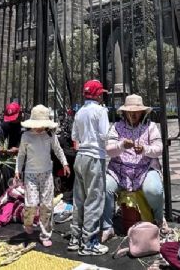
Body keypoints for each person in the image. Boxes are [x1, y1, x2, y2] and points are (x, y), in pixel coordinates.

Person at [104, 93, 166, 241]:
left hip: (145, 169)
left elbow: (159, 148)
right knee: (105, 187)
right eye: (130, 111)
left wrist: (145, 149)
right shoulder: (116, 128)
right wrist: (121, 145)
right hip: (119, 171)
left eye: (136, 111)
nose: (133, 114)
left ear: (142, 112)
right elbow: (109, 149)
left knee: (154, 190)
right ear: (124, 112)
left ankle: (159, 219)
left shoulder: (150, 127)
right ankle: (107, 226)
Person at [15, 104, 69, 248]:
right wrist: (17, 170)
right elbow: (21, 155)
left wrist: (65, 163)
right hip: (31, 175)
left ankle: (45, 234)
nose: (39, 128)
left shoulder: (50, 135)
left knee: (47, 205)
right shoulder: (26, 136)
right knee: (31, 203)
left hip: (46, 174)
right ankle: (28, 222)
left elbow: (58, 150)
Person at [69, 79, 110, 256]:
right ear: (98, 94)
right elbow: (104, 135)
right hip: (94, 157)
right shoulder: (101, 111)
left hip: (80, 157)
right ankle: (89, 243)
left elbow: (74, 136)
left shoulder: (79, 113)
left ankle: (75, 238)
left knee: (79, 198)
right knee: (94, 199)